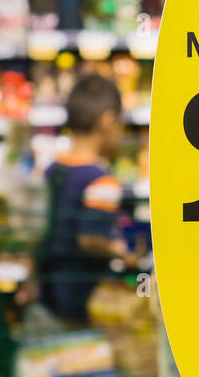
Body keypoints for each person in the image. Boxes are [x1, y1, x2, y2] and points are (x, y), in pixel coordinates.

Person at [38, 74, 130, 326]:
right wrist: (122, 253)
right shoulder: (101, 181)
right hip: (85, 296)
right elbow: (90, 239)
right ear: (108, 121)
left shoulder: (52, 170)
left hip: (51, 290)